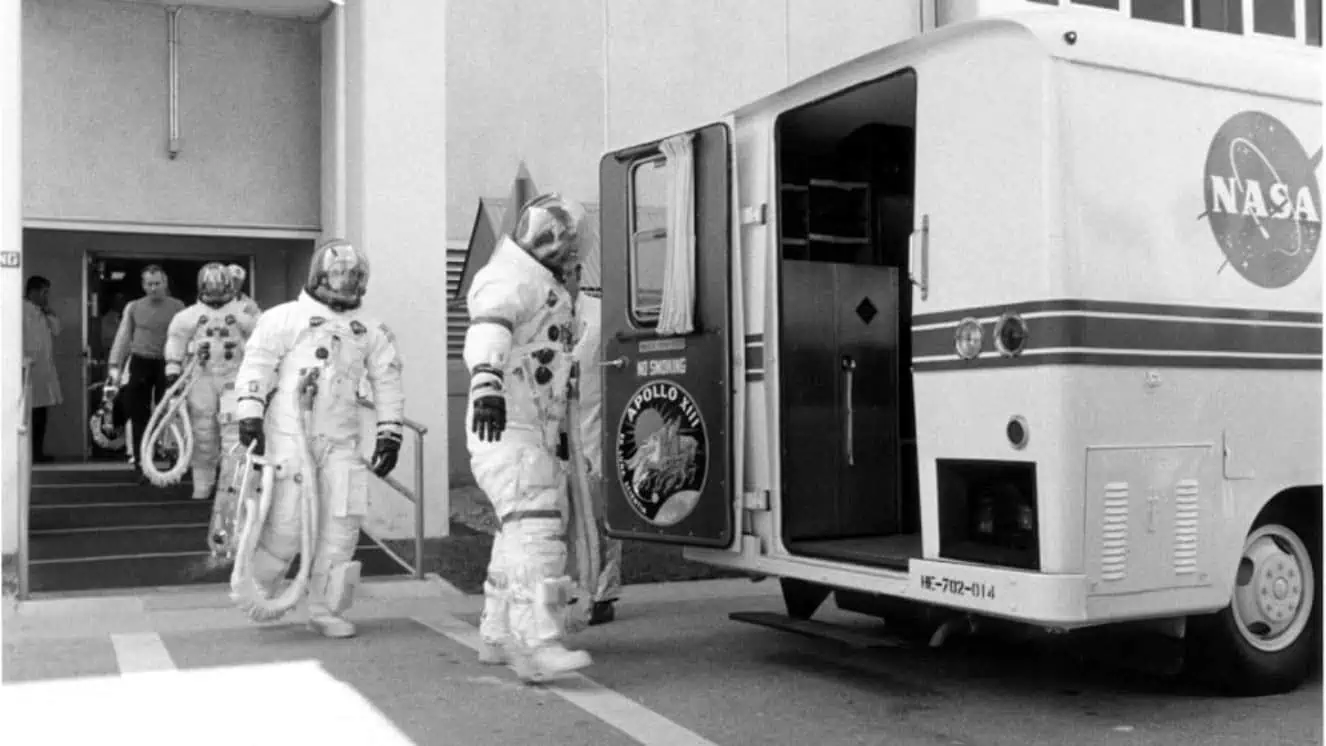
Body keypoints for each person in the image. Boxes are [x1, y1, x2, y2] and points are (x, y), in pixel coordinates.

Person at [233, 238, 404, 639]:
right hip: (290, 438)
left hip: (340, 443)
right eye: (339, 274)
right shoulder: (285, 318)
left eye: (353, 276)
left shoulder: (371, 331)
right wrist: (250, 412)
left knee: (342, 527)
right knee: (287, 523)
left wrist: (389, 433)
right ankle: (260, 592)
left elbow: (387, 381)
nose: (346, 282)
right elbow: (257, 363)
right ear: (321, 276)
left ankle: (327, 608)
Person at [465, 192, 594, 680]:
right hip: (506, 427)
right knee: (538, 530)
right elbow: (488, 329)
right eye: (560, 239)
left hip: (531, 429)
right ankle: (537, 643)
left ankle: (497, 635)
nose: (566, 250)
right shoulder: (509, 278)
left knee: (515, 535)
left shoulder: (546, 288)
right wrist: (486, 383)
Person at [162, 263, 263, 500]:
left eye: (221, 288)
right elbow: (175, 342)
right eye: (211, 288)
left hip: (233, 378)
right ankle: (202, 485)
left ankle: (232, 487)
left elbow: (262, 343)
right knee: (202, 433)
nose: (216, 295)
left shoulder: (245, 312)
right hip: (200, 378)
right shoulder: (188, 316)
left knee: (233, 433)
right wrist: (172, 373)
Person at [570, 272, 622, 626]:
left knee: (599, 516)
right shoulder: (532, 313)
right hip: (550, 434)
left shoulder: (599, 313)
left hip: (593, 431)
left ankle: (603, 594)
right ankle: (566, 591)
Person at [105, 265, 186, 469]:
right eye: (149, 284)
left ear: (165, 283)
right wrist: (115, 365)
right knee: (137, 411)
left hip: (167, 363)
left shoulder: (178, 307)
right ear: (143, 285)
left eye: (157, 283)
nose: (153, 288)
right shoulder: (134, 307)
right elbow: (123, 337)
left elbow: (186, 337)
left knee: (169, 409)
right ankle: (140, 458)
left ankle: (171, 452)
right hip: (140, 361)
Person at [22, 276, 63, 463]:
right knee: (30, 415)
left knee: (41, 416)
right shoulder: (21, 310)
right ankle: (28, 453)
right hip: (28, 371)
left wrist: (48, 312)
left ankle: (37, 452)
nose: (47, 296)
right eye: (44, 292)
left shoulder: (43, 312)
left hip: (43, 371)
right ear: (33, 292)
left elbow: (57, 330)